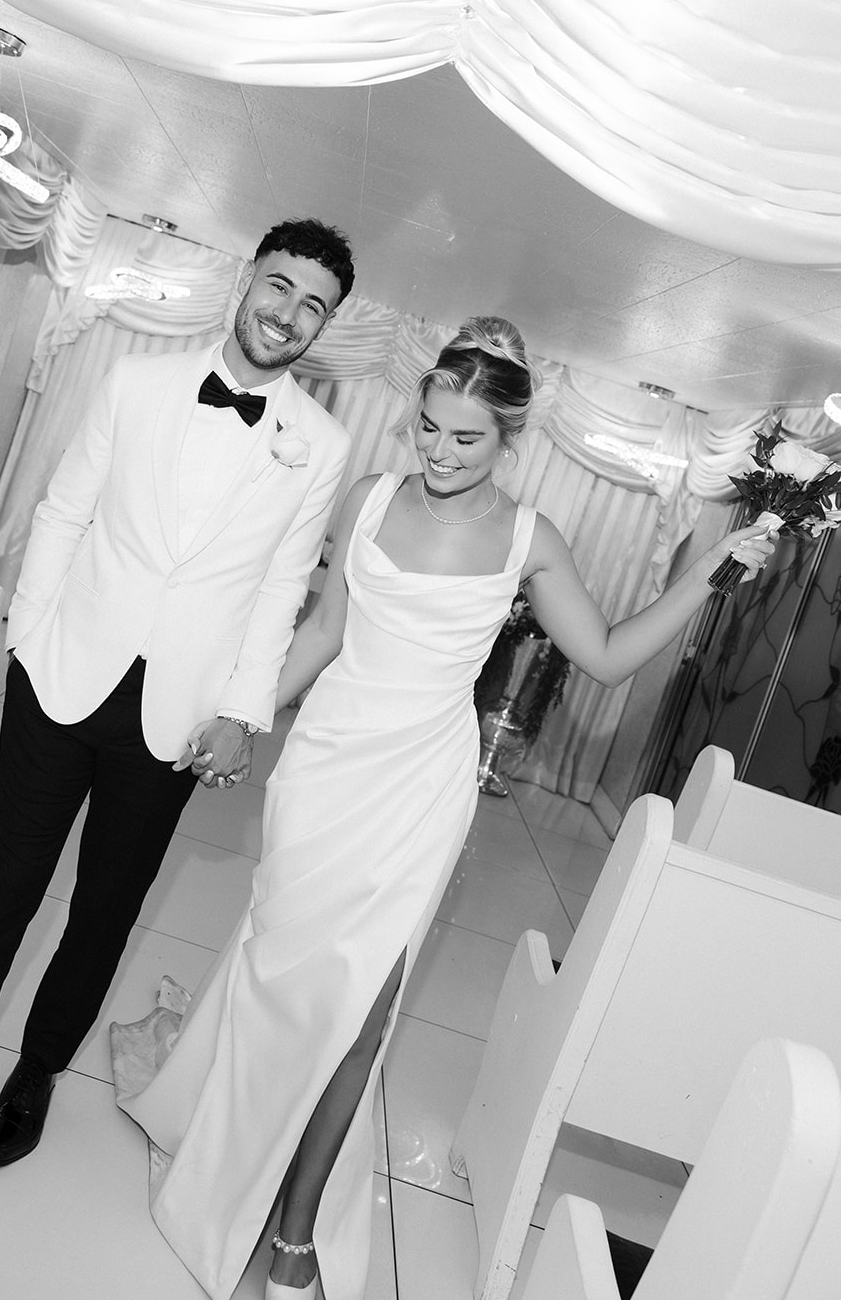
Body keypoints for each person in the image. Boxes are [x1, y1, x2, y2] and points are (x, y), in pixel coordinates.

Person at [111, 316, 777, 1300]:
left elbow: (602, 654)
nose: (438, 451)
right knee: (279, 979)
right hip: (324, 771)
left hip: (420, 786)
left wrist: (705, 579)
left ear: (508, 440)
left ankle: (292, 1231)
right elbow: (328, 625)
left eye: (464, 437)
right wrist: (243, 717)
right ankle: (224, 1158)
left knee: (361, 1009)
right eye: (426, 427)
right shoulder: (370, 497)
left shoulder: (526, 539)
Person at [0, 217, 356, 1233]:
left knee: (103, 912)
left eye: (312, 307)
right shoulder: (136, 382)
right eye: (279, 286)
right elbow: (63, 509)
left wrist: (245, 711)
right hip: (62, 677)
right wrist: (27, 637)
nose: (287, 314)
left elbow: (281, 587)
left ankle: (33, 1073)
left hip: (178, 714)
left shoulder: (320, 444)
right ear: (247, 279)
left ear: (322, 326)